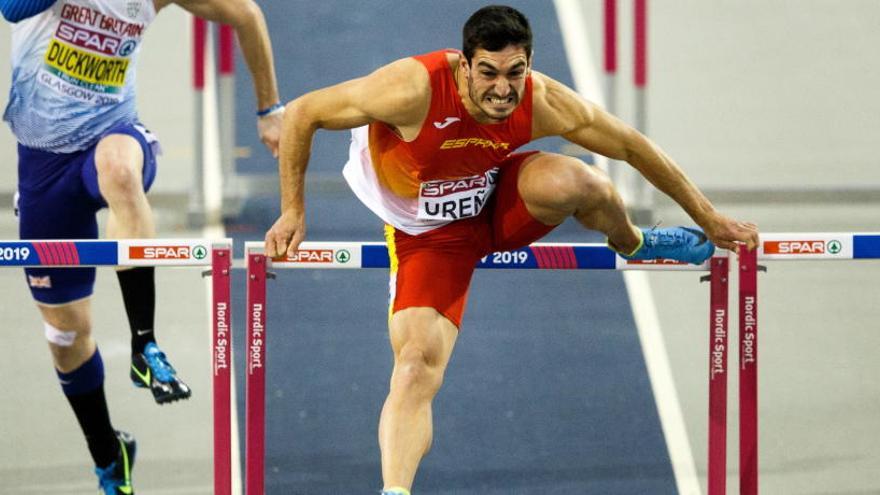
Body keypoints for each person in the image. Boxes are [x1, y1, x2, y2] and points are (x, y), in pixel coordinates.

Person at [265, 5, 759, 494]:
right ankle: (395, 491)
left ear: (529, 66)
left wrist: (707, 217)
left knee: (586, 182)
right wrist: (293, 210)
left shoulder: (542, 100)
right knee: (416, 364)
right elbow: (305, 112)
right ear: (464, 65)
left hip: (496, 197)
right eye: (488, 74)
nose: (503, 89)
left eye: (515, 73)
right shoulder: (411, 89)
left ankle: (633, 244)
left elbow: (630, 146)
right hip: (428, 237)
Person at [1, 0, 283, 493]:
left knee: (120, 170)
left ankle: (144, 344)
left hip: (114, 134)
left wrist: (270, 109)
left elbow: (247, 15)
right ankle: (109, 452)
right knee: (66, 339)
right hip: (43, 165)